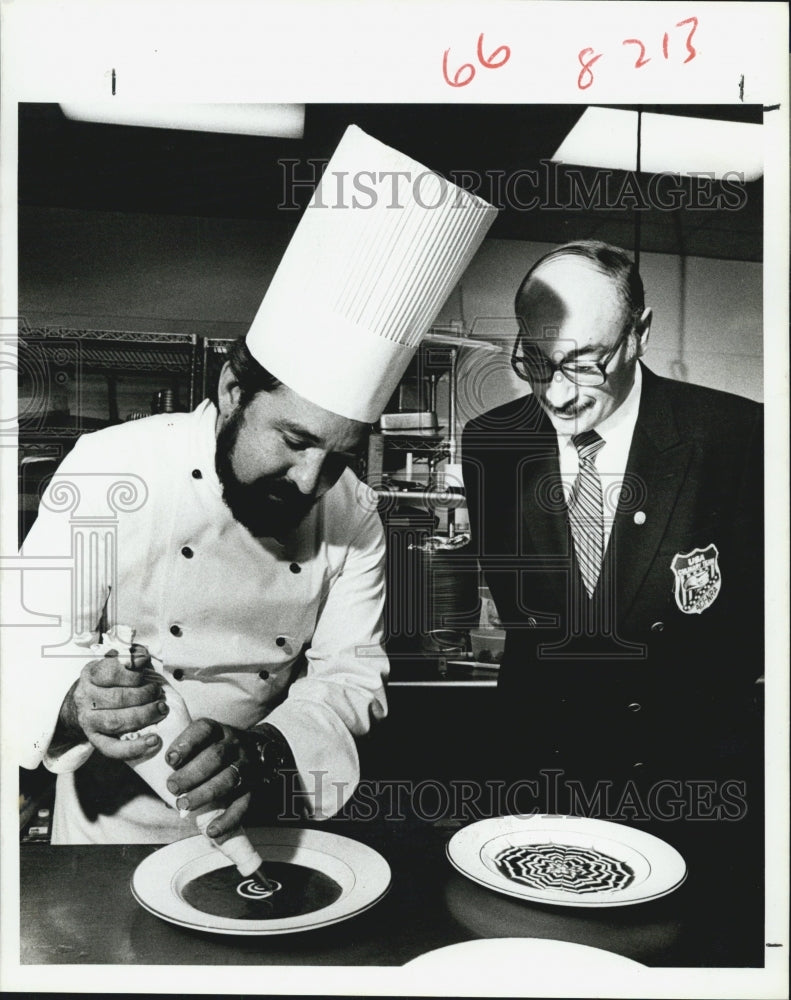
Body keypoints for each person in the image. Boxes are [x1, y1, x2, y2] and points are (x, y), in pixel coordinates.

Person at [15, 124, 497, 843]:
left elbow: (350, 675)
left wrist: (269, 754)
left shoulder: (353, 514)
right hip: (110, 837)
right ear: (234, 388)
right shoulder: (111, 467)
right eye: (296, 439)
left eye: (341, 453)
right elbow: (23, 639)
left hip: (271, 807)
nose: (311, 479)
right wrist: (77, 700)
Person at [461, 241, 763, 817]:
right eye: (536, 361)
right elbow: (527, 624)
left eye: (585, 363)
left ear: (639, 334)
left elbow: (757, 628)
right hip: (536, 775)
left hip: (682, 779)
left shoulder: (738, 437)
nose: (558, 393)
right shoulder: (491, 443)